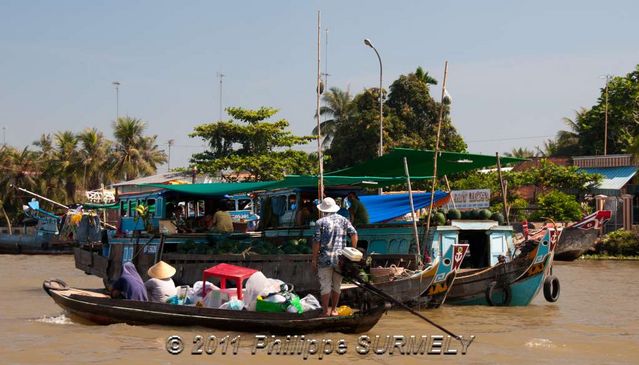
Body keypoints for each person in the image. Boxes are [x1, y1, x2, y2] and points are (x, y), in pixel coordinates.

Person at [312, 197, 358, 316]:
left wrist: (314, 259)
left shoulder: (320, 222)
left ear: (323, 209)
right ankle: (334, 310)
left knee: (325, 285)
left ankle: (324, 311)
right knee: (337, 285)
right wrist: (353, 250)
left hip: (324, 258)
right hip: (340, 259)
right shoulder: (344, 220)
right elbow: (354, 234)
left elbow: (316, 242)